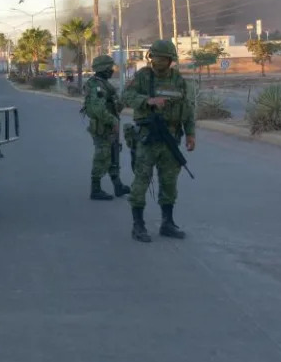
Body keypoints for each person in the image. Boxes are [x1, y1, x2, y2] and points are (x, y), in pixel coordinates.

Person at [120, 39, 196, 242]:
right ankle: (138, 225)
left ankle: (167, 223)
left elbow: (187, 109)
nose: (158, 61)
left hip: (171, 138)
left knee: (169, 182)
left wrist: (190, 134)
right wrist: (147, 100)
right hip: (147, 137)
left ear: (171, 59)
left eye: (163, 58)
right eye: (155, 57)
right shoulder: (143, 77)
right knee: (141, 181)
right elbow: (126, 95)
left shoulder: (178, 80)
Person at [81, 54, 131, 200]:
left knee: (114, 155)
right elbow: (97, 109)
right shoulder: (96, 85)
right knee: (102, 156)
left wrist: (126, 92)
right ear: (103, 68)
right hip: (103, 127)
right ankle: (95, 189)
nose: (112, 70)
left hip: (111, 126)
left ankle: (118, 185)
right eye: (110, 67)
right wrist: (112, 121)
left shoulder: (104, 84)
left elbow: (116, 106)